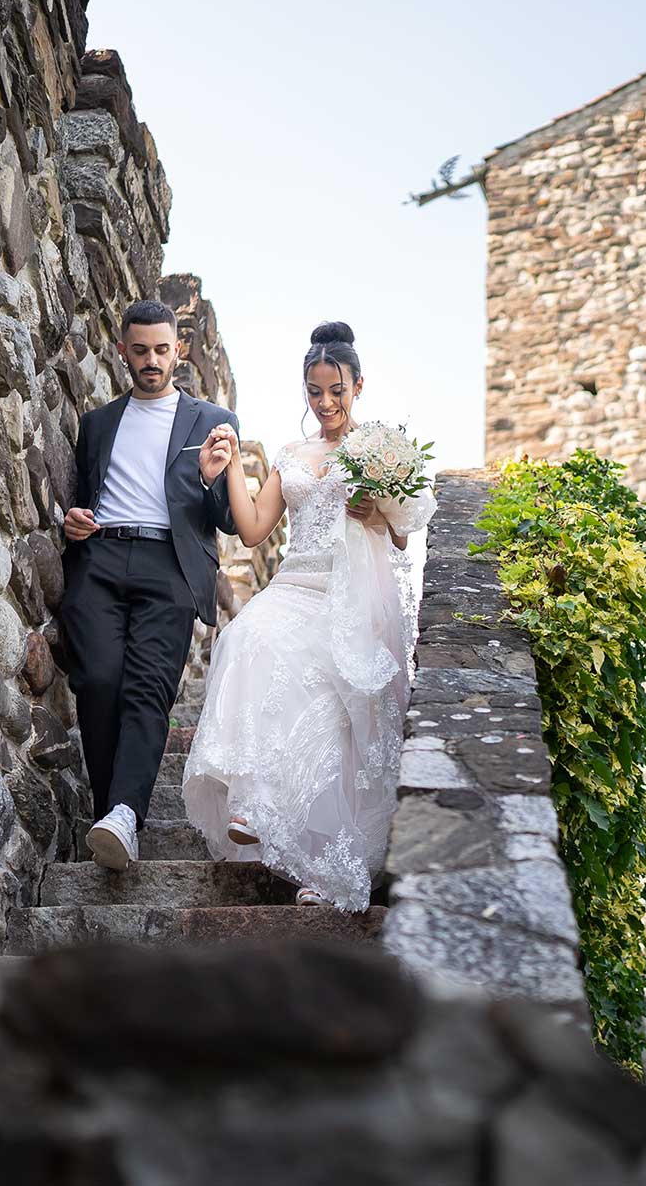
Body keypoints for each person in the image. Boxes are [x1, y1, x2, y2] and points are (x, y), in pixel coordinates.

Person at [181, 321, 434, 910]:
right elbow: (251, 530)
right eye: (314, 392)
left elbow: (400, 540)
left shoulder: (379, 450)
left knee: (331, 699)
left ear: (358, 386)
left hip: (352, 596)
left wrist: (378, 509)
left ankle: (328, 864)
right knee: (246, 637)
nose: (325, 404)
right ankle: (251, 800)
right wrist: (224, 478)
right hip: (295, 583)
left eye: (336, 391)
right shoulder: (293, 454)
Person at [59, 298, 238, 871]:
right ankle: (110, 809)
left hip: (170, 566)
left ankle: (124, 817)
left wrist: (213, 481)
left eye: (163, 350)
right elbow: (85, 498)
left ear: (179, 350)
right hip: (102, 560)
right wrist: (74, 519)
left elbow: (232, 519)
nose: (152, 361)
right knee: (98, 680)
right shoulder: (97, 424)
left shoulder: (212, 422)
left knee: (148, 690)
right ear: (122, 352)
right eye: (140, 351)